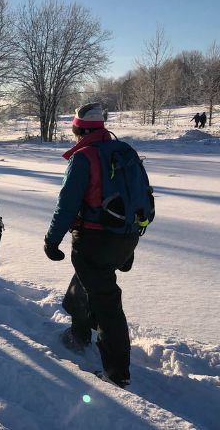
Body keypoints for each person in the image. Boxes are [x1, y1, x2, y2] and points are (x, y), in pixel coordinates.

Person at [44, 102, 139, 388]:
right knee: (84, 286)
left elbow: (67, 205)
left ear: (79, 129)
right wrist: (129, 242)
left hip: (95, 239)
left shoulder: (84, 157)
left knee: (106, 301)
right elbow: (137, 197)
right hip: (125, 235)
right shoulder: (124, 152)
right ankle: (79, 335)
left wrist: (51, 240)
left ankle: (117, 372)